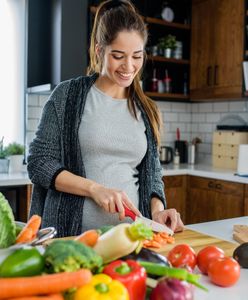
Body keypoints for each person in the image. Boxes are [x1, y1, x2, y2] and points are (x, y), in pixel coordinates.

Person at [27, 0, 184, 237]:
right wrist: (94, 189)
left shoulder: (146, 108)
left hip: (130, 240)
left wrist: (158, 210)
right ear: (100, 50)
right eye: (118, 56)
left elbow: (151, 174)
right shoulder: (68, 96)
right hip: (71, 238)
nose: (129, 66)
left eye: (137, 56)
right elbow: (39, 163)